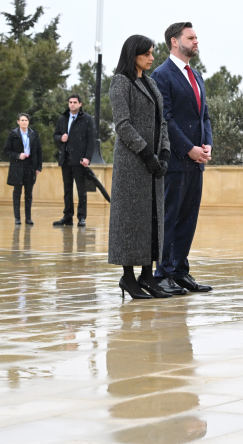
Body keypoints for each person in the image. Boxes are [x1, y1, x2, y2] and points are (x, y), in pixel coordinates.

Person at [108, 35, 172, 300]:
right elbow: (122, 124)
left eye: (153, 53)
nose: (152, 57)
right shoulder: (120, 83)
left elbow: (163, 122)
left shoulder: (151, 83)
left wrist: (164, 152)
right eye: (147, 53)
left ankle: (148, 276)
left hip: (153, 164)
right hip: (133, 164)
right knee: (131, 221)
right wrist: (146, 154)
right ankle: (128, 278)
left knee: (152, 219)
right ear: (133, 54)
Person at [151, 22, 213, 295]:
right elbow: (165, 119)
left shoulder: (196, 76)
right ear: (175, 42)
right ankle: (162, 273)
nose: (196, 41)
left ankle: (179, 272)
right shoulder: (161, 75)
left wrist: (206, 145)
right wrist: (188, 148)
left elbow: (205, 116)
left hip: (196, 162)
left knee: (188, 218)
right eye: (191, 37)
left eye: (196, 37)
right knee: (170, 217)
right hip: (175, 161)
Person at [52, 94, 95, 227]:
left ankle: (82, 217)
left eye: (75, 102)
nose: (72, 104)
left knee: (82, 190)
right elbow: (55, 136)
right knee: (67, 190)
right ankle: (68, 217)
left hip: (80, 161)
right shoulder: (62, 119)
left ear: (80, 104)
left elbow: (91, 140)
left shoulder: (87, 119)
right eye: (70, 102)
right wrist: (61, 139)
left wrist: (87, 158)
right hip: (65, 160)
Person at [4, 113, 42, 225]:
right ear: (18, 122)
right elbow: (6, 150)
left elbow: (39, 151)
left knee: (29, 193)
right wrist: (17, 155)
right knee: (17, 193)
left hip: (30, 165)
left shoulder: (34, 134)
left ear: (28, 122)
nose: (24, 122)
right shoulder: (13, 134)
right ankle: (17, 218)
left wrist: (39, 167)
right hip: (17, 166)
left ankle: (28, 218)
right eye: (22, 120)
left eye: (26, 120)